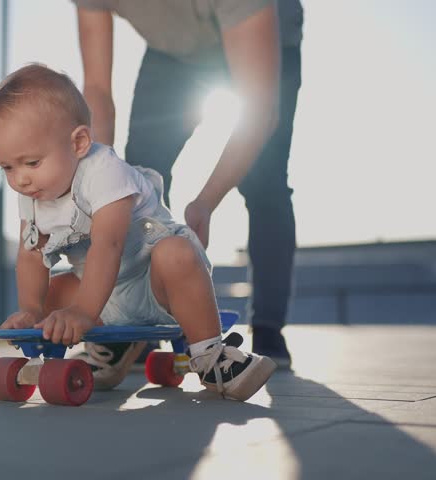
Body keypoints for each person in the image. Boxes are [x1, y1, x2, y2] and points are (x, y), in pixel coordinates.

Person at [0, 64, 276, 400]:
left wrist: (83, 313)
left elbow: (108, 245)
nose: (20, 179)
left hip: (156, 284)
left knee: (175, 252)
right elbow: (30, 255)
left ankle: (211, 355)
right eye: (7, 167)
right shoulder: (32, 196)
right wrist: (32, 310)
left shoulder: (105, 172)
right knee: (55, 290)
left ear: (78, 142)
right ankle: (115, 350)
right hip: (101, 293)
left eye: (31, 163)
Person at [74, 0, 303, 369]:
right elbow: (97, 91)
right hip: (173, 52)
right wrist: (95, 188)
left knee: (265, 183)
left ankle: (268, 329)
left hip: (267, 35)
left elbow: (260, 111)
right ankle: (133, 324)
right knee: (136, 175)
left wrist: (206, 201)